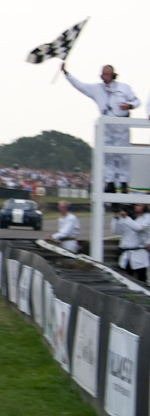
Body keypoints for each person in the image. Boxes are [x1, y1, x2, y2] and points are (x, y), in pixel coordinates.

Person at [62, 64, 139, 197]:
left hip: (121, 126)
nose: (105, 77)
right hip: (106, 126)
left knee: (123, 156)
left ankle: (124, 183)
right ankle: (110, 182)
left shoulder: (124, 88)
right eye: (103, 75)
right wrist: (66, 73)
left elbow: (137, 102)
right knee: (107, 156)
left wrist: (129, 106)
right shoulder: (96, 89)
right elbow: (80, 86)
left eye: (107, 74)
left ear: (113, 75)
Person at [111, 203, 150, 282]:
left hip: (139, 252)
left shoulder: (147, 218)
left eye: (139, 205)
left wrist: (126, 218)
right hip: (126, 252)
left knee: (141, 278)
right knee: (125, 279)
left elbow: (138, 228)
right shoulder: (129, 219)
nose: (136, 207)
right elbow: (116, 231)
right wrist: (117, 217)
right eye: (135, 205)